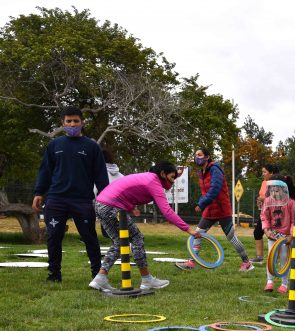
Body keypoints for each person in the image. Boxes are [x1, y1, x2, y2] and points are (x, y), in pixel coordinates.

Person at [89, 161, 200, 292]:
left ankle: (100, 278)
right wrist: (188, 229)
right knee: (137, 238)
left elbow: (126, 190)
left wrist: (131, 207)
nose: (173, 181)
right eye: (171, 177)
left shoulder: (148, 177)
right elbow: (167, 211)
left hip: (100, 205)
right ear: (162, 174)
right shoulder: (154, 182)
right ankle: (147, 279)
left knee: (119, 242)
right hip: (112, 207)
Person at [32, 106, 108, 283]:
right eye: (68, 121)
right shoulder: (54, 145)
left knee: (89, 237)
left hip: (82, 200)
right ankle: (54, 275)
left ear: (82, 123)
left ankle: (97, 275)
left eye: (76, 121)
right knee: (53, 237)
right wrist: (39, 192)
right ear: (63, 123)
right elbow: (45, 171)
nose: (72, 124)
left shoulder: (92, 147)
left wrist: (105, 199)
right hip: (56, 199)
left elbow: (101, 176)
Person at [176, 148, 254, 272]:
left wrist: (201, 204)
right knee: (197, 234)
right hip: (209, 210)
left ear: (207, 157)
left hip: (222, 210)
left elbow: (214, 190)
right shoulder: (200, 173)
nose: (197, 157)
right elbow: (205, 192)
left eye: (200, 155)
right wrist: (202, 203)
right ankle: (191, 262)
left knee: (231, 238)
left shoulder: (215, 169)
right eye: (196, 155)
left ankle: (247, 263)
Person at [261, 175, 295, 293]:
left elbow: (294, 221)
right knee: (271, 258)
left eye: (276, 190)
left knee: (284, 259)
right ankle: (269, 282)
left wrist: (291, 235)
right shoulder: (268, 201)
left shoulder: (291, 202)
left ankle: (284, 284)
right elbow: (264, 217)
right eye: (271, 190)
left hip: (286, 237)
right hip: (273, 235)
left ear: (283, 189)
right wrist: (266, 230)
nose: (274, 193)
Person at [252, 164, 280, 263]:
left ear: (271, 173)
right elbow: (261, 195)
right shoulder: (264, 182)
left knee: (274, 235)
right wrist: (259, 200)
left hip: (274, 213)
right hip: (264, 212)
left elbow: (276, 198)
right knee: (257, 232)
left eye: (264, 172)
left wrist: (262, 198)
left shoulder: (277, 184)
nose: (262, 174)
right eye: (262, 172)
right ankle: (259, 257)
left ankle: (275, 259)